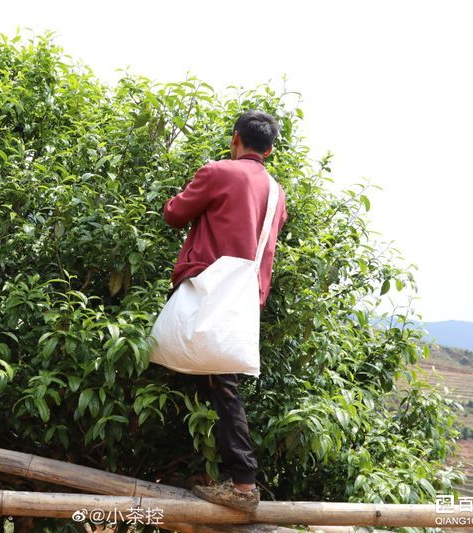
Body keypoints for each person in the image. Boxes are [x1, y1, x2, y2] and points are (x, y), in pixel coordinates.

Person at [161, 109, 288, 512]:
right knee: (215, 380)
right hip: (245, 296)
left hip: (210, 288)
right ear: (269, 149)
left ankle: (243, 485)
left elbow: (173, 214)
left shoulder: (218, 172)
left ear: (236, 138)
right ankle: (222, 475)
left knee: (217, 384)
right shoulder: (277, 192)